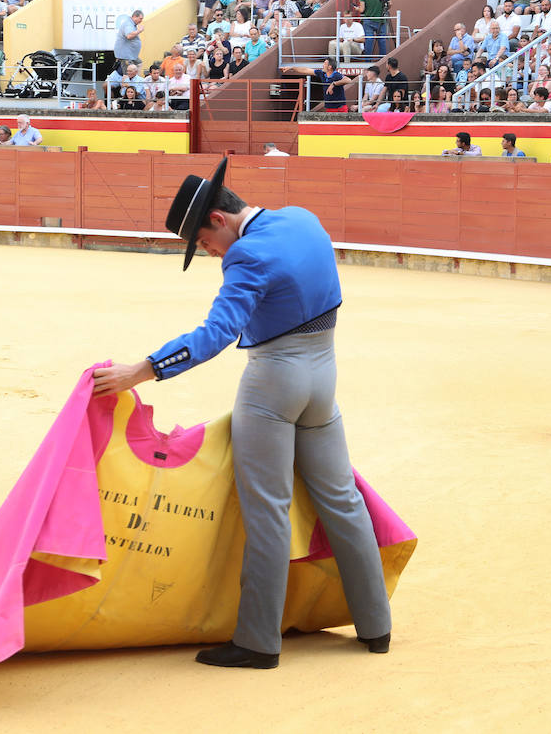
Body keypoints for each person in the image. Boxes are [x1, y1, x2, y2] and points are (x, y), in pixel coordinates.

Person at [91, 159, 394, 667]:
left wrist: (141, 371)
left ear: (217, 220)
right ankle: (377, 626)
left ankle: (257, 641)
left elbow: (214, 335)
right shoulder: (303, 218)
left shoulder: (246, 255)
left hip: (273, 386)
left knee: (268, 509)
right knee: (343, 501)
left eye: (204, 245)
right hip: (324, 377)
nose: (210, 254)